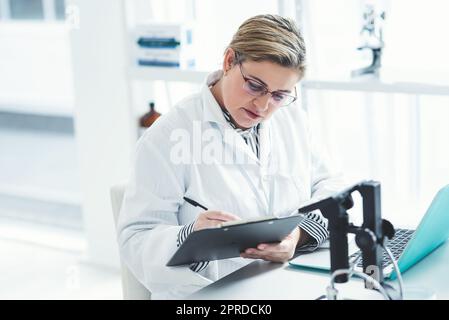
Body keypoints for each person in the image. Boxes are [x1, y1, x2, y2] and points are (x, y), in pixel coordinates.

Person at [117, 14, 346, 299]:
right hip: (208, 295)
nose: (263, 105)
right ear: (228, 61)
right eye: (255, 86)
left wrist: (297, 236)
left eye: (279, 95)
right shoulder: (169, 135)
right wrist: (190, 236)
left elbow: (333, 187)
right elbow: (136, 239)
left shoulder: (293, 120)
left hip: (284, 284)